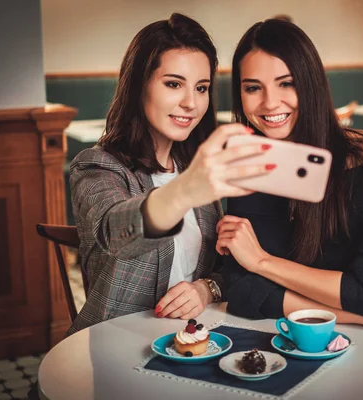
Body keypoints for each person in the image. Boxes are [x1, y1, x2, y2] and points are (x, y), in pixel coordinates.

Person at [217, 18, 363, 343]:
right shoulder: (249, 163)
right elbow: (243, 290)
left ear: (311, 83)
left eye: (286, 83)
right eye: (253, 87)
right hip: (288, 338)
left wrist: (261, 261)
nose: (270, 102)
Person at [67, 13, 274, 335]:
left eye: (201, 87)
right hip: (115, 344)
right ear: (139, 86)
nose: (191, 103)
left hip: (195, 339)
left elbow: (222, 266)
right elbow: (117, 234)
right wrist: (184, 192)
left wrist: (207, 289)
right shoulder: (97, 167)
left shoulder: (194, 165)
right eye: (174, 84)